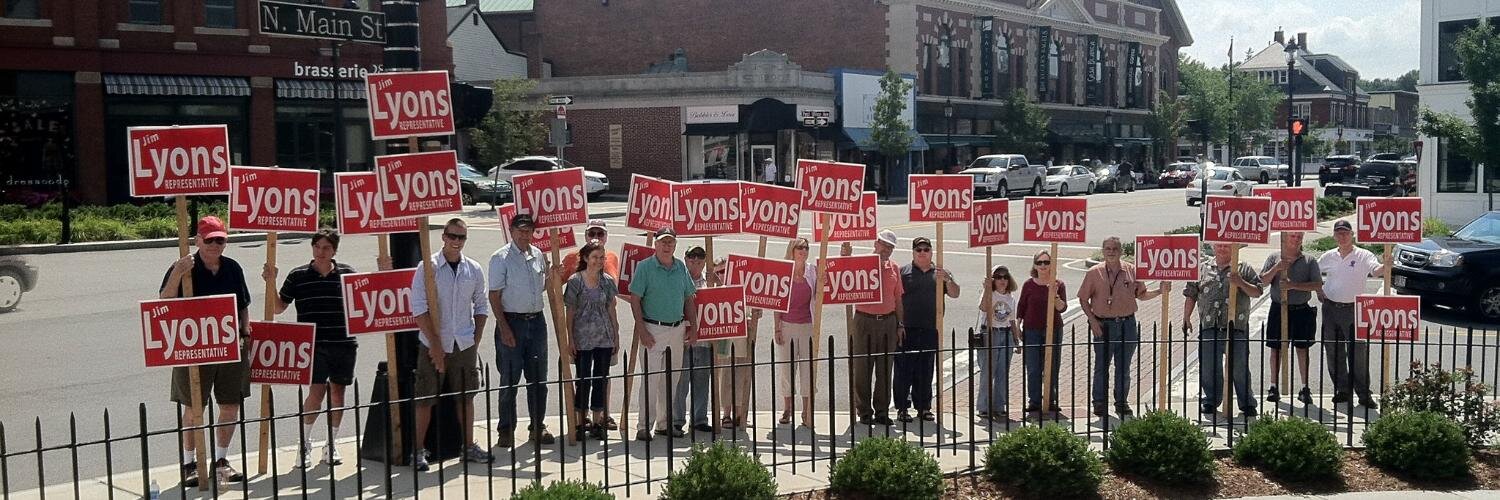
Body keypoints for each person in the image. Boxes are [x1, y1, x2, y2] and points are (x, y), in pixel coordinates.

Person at [263, 228, 391, 468]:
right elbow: (279, 308)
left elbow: (367, 302)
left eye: (327, 248)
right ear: (312, 248)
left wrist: (382, 275)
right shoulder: (298, 275)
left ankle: (331, 444)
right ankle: (305, 443)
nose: (321, 252)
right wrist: (271, 282)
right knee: (316, 393)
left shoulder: (347, 274)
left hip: (343, 343)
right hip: (312, 344)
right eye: (317, 247)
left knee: (338, 393)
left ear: (334, 250)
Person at [159, 216, 251, 487]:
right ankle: (190, 463)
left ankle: (221, 461)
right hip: (193, 346)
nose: (214, 244)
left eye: (220, 240)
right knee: (193, 408)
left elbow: (243, 304)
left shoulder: (232, 268)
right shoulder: (184, 267)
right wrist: (177, 272)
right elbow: (164, 301)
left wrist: (246, 332)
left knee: (230, 405)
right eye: (209, 239)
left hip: (229, 345)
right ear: (198, 240)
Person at [410, 218, 493, 471]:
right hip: (433, 342)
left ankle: (468, 446)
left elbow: (481, 305)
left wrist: (475, 339)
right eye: (452, 236)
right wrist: (435, 344)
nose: (456, 241)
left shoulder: (473, 269)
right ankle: (418, 451)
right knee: (425, 398)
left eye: (461, 237)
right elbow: (419, 309)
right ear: (443, 236)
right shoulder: (428, 267)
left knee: (466, 396)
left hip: (463, 342)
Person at [1078, 237, 1169, 417]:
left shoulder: (1131, 270)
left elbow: (1141, 295)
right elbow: (1083, 299)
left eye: (1115, 248)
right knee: (1101, 366)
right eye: (1108, 248)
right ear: (1103, 251)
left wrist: (1160, 291)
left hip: (1127, 324)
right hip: (1103, 325)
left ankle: (1121, 402)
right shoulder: (1094, 273)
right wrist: (1092, 321)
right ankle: (1099, 402)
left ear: (1120, 251)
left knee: (1123, 366)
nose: (1111, 251)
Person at [488, 213, 558, 448]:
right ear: (512, 230)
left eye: (528, 230)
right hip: (512, 322)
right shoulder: (501, 258)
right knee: (510, 378)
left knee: (539, 379)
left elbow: (544, 288)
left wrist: (554, 274)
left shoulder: (538, 255)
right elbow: (494, 295)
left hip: (536, 321)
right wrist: (503, 326)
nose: (524, 234)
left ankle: (537, 426)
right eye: (520, 230)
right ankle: (506, 428)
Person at [629, 228, 698, 441]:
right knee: (651, 379)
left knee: (672, 378)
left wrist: (693, 327)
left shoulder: (680, 268)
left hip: (676, 329)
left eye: (670, 243)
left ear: (675, 245)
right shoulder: (645, 267)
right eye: (663, 242)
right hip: (653, 328)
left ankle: (663, 423)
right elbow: (635, 299)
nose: (667, 246)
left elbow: (688, 298)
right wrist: (642, 330)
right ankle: (643, 426)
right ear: (656, 245)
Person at [1183, 242, 1264, 417]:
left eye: (1227, 246)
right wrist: (1186, 317)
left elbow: (1257, 291)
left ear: (1234, 248)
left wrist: (1240, 282)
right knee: (1209, 367)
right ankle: (1211, 400)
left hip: (1236, 327)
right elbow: (1191, 293)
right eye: (1219, 245)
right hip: (1209, 325)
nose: (1222, 248)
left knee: (1239, 367)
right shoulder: (1202, 269)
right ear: (1213, 247)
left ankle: (1247, 404)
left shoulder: (1244, 268)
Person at [556, 219, 621, 431]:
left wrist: (616, 335)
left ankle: (597, 419)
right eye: (594, 257)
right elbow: (570, 311)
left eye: (601, 257)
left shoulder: (608, 281)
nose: (598, 261)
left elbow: (612, 308)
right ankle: (579, 420)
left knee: (601, 379)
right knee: (583, 379)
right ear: (585, 258)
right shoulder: (575, 281)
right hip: (582, 338)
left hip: (604, 336)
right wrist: (570, 339)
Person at [1317, 220, 1388, 408]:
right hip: (1330, 308)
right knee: (1333, 350)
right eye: (1339, 233)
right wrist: (1318, 290)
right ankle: (1342, 390)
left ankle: (1364, 394)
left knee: (1358, 353)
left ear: (1352, 235)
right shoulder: (1328, 256)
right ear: (1334, 236)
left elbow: (1376, 271)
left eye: (1345, 233)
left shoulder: (1363, 255)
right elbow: (1314, 273)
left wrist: (1387, 264)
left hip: (1354, 309)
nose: (1342, 236)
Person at [894, 237, 960, 422]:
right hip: (907, 328)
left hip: (930, 328)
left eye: (926, 249)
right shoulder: (903, 272)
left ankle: (923, 407)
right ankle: (902, 408)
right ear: (913, 252)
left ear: (931, 251)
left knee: (926, 369)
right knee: (904, 371)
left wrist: (948, 279)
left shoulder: (940, 273)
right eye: (919, 249)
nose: (922, 252)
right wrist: (898, 324)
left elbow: (955, 293)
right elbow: (895, 299)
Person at [844, 229, 904, 426]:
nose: (886, 249)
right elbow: (844, 277)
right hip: (864, 319)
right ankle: (864, 411)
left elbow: (898, 299)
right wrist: (846, 257)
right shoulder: (860, 263)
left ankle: (882, 411)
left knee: (885, 368)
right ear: (875, 243)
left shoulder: (894, 268)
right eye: (884, 244)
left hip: (888, 321)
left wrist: (900, 324)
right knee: (862, 367)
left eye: (890, 247)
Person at [1259, 231, 1322, 406]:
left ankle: (1304, 387)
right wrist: (1277, 268)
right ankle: (1273, 386)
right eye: (1293, 236)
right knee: (1276, 348)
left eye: (1299, 237)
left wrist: (1294, 285)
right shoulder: (1274, 257)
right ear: (1285, 237)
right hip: (1278, 308)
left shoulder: (1309, 260)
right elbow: (1262, 281)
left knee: (1302, 348)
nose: (1296, 239)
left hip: (1301, 309)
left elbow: (1317, 284)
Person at [774, 238, 818, 428]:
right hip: (787, 325)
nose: (803, 250)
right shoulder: (783, 271)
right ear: (792, 250)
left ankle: (807, 410)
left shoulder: (813, 271)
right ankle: (787, 408)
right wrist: (777, 327)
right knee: (786, 369)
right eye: (799, 247)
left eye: (806, 248)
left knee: (808, 369)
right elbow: (776, 301)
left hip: (808, 325)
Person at [672, 246, 716, 434]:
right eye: (692, 258)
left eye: (700, 259)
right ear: (686, 258)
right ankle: (677, 419)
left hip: (705, 341)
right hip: (683, 339)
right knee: (680, 383)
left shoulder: (711, 281)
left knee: (702, 382)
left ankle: (699, 419)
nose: (695, 262)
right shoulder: (677, 279)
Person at [1018, 250, 1067, 413]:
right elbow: (1021, 307)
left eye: (1046, 262)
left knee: (1051, 367)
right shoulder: (1028, 284)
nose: (1043, 266)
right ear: (1035, 265)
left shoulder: (1058, 284)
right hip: (1031, 330)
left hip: (1053, 330)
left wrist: (1055, 295)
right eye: (1040, 262)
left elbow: (1062, 308)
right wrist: (1017, 327)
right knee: (1033, 367)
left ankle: (1050, 400)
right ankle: (1034, 401)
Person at [713, 255, 754, 429]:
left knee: (741, 374)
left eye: (725, 270)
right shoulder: (715, 291)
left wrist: (752, 318)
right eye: (719, 272)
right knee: (725, 377)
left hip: (741, 339)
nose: (723, 274)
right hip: (724, 340)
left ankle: (740, 412)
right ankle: (726, 414)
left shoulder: (742, 289)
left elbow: (750, 312)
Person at [976, 265, 1022, 419]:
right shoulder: (990, 294)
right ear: (993, 280)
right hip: (991, 333)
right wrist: (986, 289)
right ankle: (983, 407)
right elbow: (982, 307)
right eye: (998, 277)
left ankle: (999, 406)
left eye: (1005, 277)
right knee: (988, 371)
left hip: (1006, 334)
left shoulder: (1011, 297)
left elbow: (1012, 320)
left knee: (1003, 372)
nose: (1002, 280)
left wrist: (1016, 340)